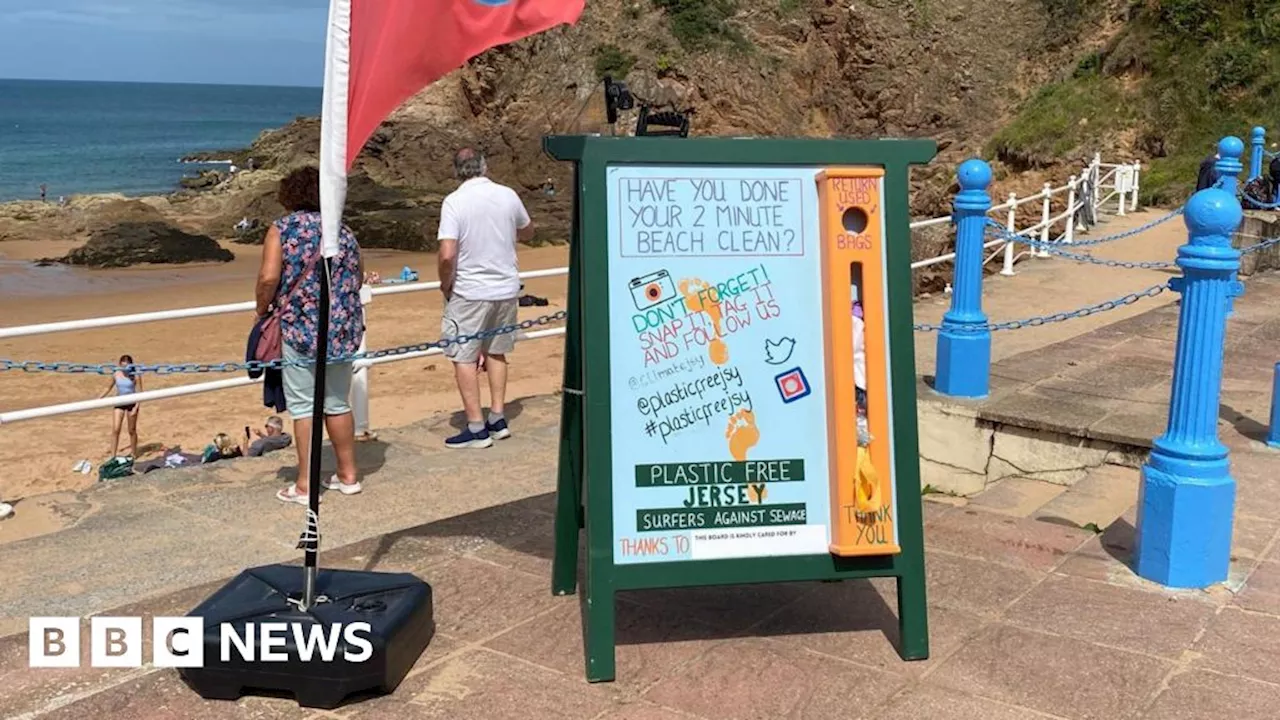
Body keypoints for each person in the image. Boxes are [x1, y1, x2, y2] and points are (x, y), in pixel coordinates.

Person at [256, 166, 364, 504]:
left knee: (304, 406)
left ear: (289, 196)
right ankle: (348, 475)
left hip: (301, 327)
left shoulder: (283, 230)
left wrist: (262, 308)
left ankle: (305, 483)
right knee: (336, 402)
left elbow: (269, 278)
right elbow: (356, 275)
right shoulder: (342, 231)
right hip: (341, 329)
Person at [435, 148, 535, 448]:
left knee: (462, 356)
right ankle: (498, 417)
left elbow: (448, 253)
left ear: (456, 171)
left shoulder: (454, 202)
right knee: (497, 351)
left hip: (470, 290)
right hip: (505, 288)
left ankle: (477, 426)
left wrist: (445, 283)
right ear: (484, 166)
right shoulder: (507, 195)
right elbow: (528, 231)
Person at [99, 354, 141, 459]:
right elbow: (108, 387)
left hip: (132, 403)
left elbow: (140, 392)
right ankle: (113, 455)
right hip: (119, 402)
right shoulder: (116, 374)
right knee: (116, 429)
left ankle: (134, 453)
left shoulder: (135, 375)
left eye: (126, 367)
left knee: (131, 430)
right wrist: (99, 398)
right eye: (123, 366)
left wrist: (136, 407)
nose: (124, 369)